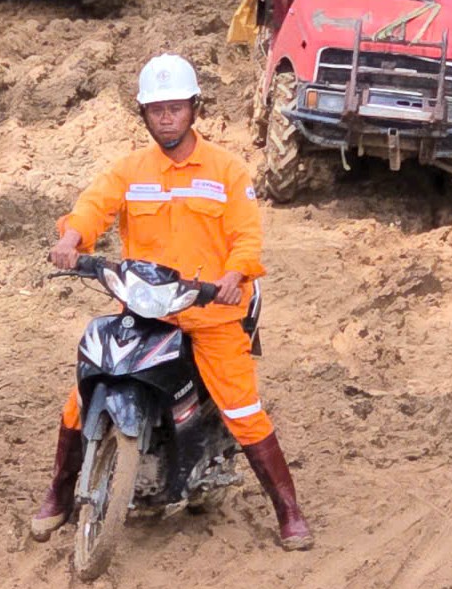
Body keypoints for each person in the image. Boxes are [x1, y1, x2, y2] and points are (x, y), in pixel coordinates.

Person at [33, 55, 314, 550]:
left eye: (175, 108)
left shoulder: (227, 171)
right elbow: (95, 205)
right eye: (156, 109)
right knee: (81, 394)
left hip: (210, 313)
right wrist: (72, 239)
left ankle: (287, 511)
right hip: (144, 308)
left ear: (194, 110)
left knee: (242, 407)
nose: (166, 117)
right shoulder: (130, 170)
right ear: (144, 114)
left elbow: (246, 235)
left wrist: (233, 275)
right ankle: (58, 492)